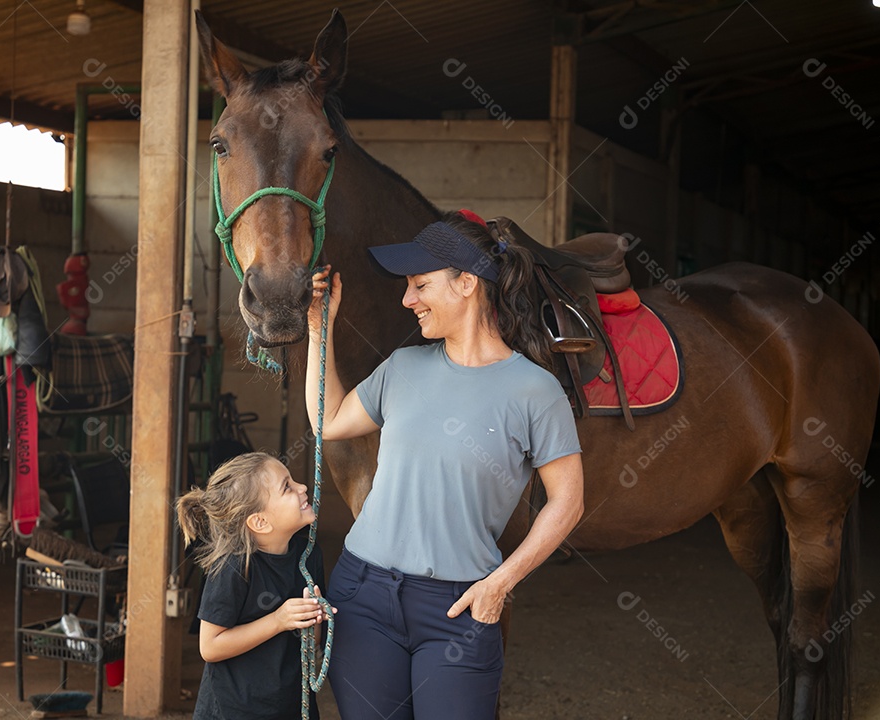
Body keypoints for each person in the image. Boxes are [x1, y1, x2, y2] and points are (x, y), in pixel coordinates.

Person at [305, 211, 585, 720]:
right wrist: (317, 333)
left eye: (420, 285)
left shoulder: (535, 391)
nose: (407, 300)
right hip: (362, 597)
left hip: (458, 609)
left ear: (467, 283)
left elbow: (568, 502)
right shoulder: (402, 367)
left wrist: (500, 582)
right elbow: (328, 421)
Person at [177, 451, 332, 720]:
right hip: (233, 710)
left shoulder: (308, 554)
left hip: (290, 705)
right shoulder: (233, 566)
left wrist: (313, 617)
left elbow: (313, 643)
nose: (303, 487)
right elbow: (210, 647)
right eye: (287, 487)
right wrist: (278, 620)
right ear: (260, 521)